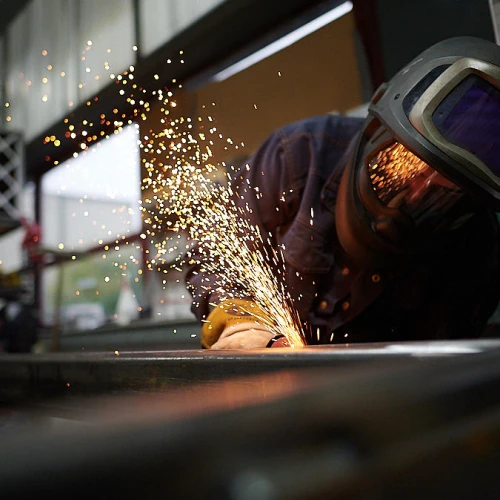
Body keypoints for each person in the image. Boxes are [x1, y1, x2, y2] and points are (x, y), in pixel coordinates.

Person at [186, 36, 500, 349]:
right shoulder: (298, 155)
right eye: (409, 169)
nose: (412, 198)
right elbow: (216, 256)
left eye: (442, 195)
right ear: (378, 131)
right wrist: (241, 325)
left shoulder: (475, 251)